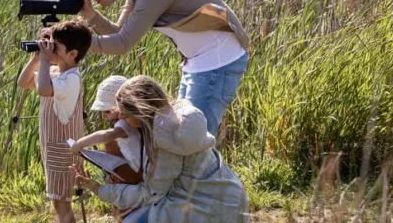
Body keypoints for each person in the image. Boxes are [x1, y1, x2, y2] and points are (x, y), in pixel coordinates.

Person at [74, 0, 252, 136]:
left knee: (194, 140)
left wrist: (75, 44)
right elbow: (119, 33)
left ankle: (213, 166)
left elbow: (122, 44)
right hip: (197, 62)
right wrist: (90, 15)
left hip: (217, 60)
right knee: (186, 137)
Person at [71, 75, 249, 223]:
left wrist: (99, 189)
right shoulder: (174, 121)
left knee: (134, 221)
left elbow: (151, 193)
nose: (123, 121)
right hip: (230, 199)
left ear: (140, 113)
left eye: (125, 116)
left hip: (211, 210)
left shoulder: (167, 141)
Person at [17, 20, 92, 223]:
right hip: (53, 148)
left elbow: (43, 89)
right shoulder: (54, 72)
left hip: (62, 151)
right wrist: (36, 58)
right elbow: (23, 82)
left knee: (61, 202)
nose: (50, 50)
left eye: (55, 47)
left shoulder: (71, 79)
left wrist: (43, 60)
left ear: (72, 54)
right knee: (57, 201)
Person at [72, 75, 142, 223]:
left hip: (134, 180)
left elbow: (108, 135)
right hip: (130, 179)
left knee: (126, 215)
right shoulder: (132, 123)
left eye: (108, 111)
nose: (104, 116)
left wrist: (80, 143)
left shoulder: (124, 124)